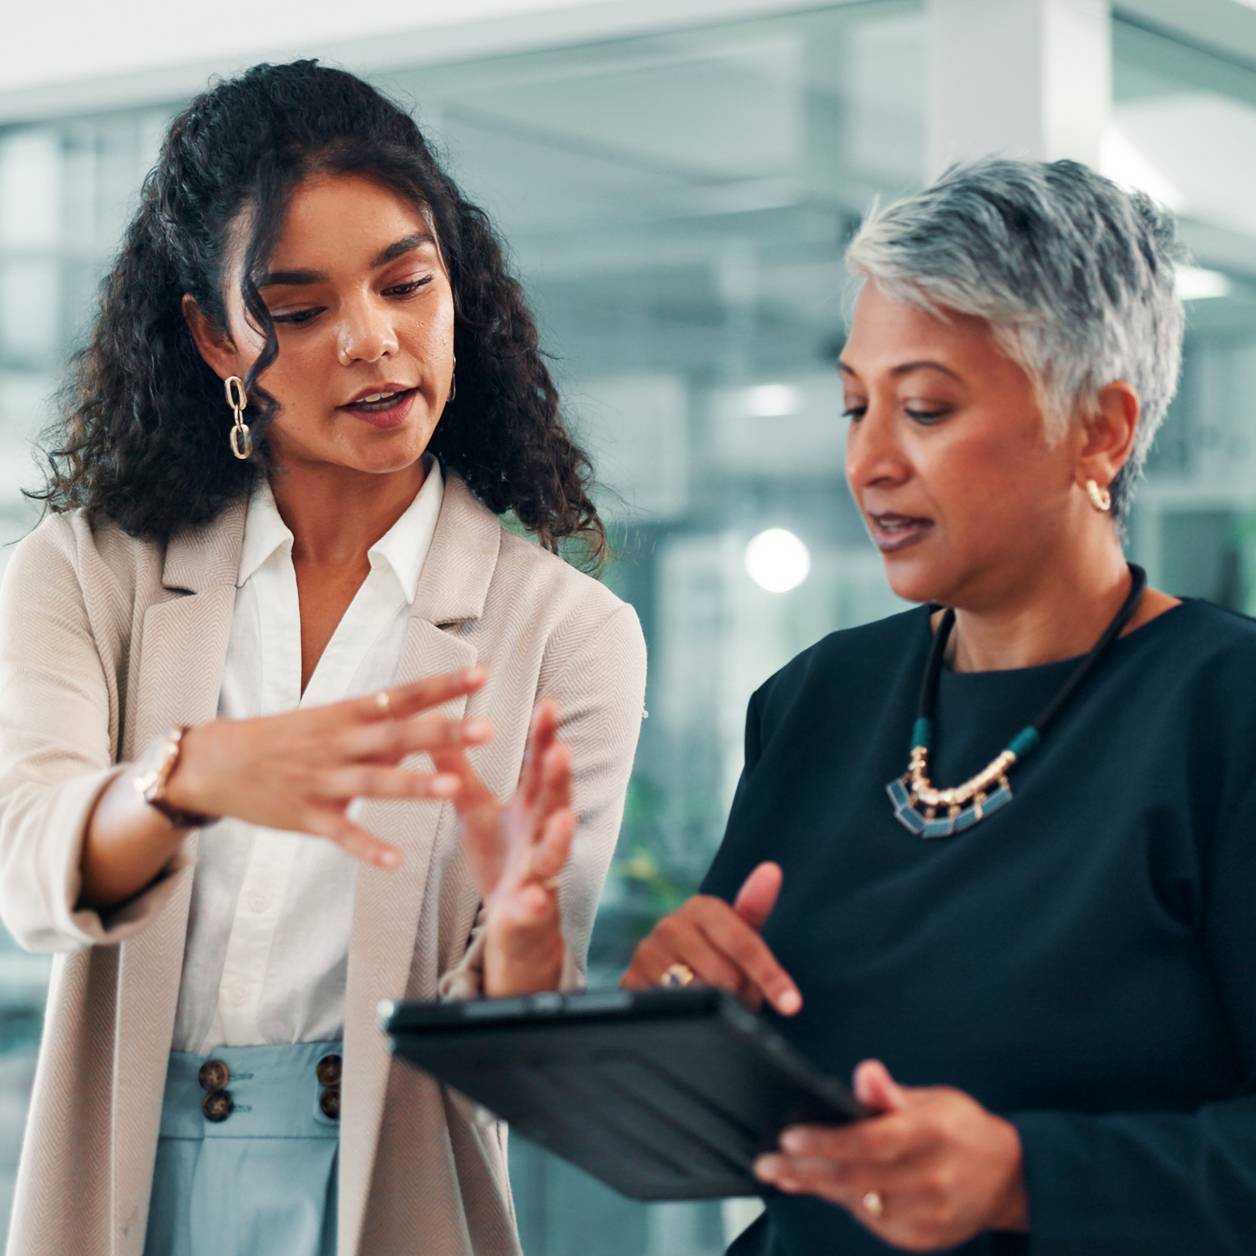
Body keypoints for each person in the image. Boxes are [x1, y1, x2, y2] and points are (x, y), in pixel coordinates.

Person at [0, 60, 645, 1256]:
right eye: (298, 309)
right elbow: (32, 864)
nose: (371, 340)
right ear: (212, 335)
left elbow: (510, 1037)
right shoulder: (86, 572)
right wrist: (187, 778)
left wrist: (524, 939)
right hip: (124, 1181)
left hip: (392, 1189)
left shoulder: (566, 634)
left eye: (407, 282)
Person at [612, 158, 1256, 1253]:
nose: (867, 459)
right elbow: (741, 1120)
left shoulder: (1222, 712)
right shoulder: (813, 701)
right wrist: (670, 1003)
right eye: (855, 404)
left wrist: (1023, 1175)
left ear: (1098, 430)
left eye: (922, 407)